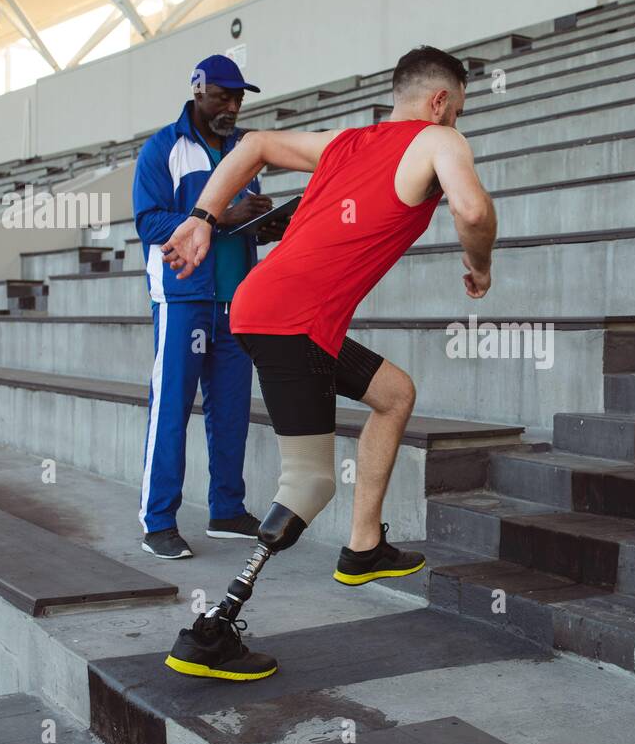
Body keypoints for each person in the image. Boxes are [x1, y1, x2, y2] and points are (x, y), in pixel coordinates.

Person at [159, 45, 496, 680]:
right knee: (309, 484)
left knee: (394, 393)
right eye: (458, 110)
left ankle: (364, 545)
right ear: (441, 101)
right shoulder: (439, 141)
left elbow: (254, 143)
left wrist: (203, 216)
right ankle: (211, 632)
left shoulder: (349, 141)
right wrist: (480, 267)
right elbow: (473, 211)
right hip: (293, 322)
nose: (455, 122)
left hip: (269, 308)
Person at [131, 54, 285, 559]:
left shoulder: (244, 152)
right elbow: (149, 224)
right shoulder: (163, 149)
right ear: (197, 89)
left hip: (236, 299)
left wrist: (264, 224)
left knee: (233, 410)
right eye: (222, 94)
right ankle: (158, 520)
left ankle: (226, 509)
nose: (232, 105)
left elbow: (240, 222)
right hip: (182, 298)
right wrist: (220, 217)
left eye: (239, 97)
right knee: (172, 407)